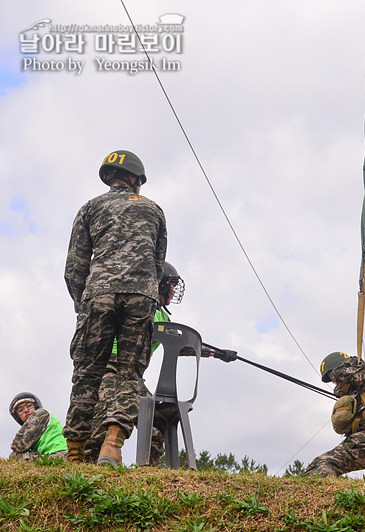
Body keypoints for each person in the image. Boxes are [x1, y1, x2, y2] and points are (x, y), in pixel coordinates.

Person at [63, 149, 167, 466]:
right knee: (129, 374)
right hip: (141, 294)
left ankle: (76, 453)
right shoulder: (154, 210)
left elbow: (73, 268)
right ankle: (112, 444)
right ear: (136, 180)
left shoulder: (89, 208)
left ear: (110, 178)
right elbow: (158, 265)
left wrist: (84, 304)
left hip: (98, 294)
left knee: (86, 375)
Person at [84, 261, 236, 464]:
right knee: (100, 425)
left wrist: (218, 354)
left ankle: (149, 476)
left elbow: (181, 346)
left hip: (133, 375)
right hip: (110, 367)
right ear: (160, 283)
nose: (173, 290)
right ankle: (92, 469)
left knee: (155, 429)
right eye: (171, 284)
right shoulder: (137, 304)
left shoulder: (163, 315)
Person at [304, 352, 365, 477]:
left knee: (326, 464)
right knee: (318, 463)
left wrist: (349, 363)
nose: (336, 382)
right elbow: (338, 390)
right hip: (364, 441)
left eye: (334, 378)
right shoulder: (354, 388)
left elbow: (342, 374)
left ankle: (324, 493)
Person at [9, 393, 68, 461]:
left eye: (29, 406)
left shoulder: (41, 414)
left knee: (15, 455)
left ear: (35, 406)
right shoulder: (32, 430)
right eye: (20, 410)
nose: (25, 410)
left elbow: (19, 445)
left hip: (61, 454)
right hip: (51, 456)